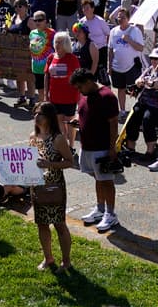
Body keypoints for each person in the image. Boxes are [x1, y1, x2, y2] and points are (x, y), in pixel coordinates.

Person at [71, 69, 120, 233]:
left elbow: (113, 124)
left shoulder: (107, 96)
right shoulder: (84, 95)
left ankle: (111, 214)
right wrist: (77, 120)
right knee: (98, 179)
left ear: (88, 82)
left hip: (102, 148)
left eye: (80, 87)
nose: (79, 91)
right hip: (87, 146)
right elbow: (83, 113)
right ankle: (100, 209)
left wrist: (112, 148)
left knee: (106, 180)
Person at [30, 102, 76, 271]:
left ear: (49, 117)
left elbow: (70, 162)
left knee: (59, 224)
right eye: (34, 113)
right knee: (42, 223)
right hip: (37, 186)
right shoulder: (32, 137)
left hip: (54, 187)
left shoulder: (58, 138)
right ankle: (48, 258)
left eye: (40, 114)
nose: (36, 117)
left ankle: (66, 261)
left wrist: (50, 164)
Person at [45, 31, 81, 148]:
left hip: (69, 97)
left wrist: (80, 95)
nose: (57, 44)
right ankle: (64, 145)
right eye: (56, 42)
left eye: (60, 42)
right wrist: (46, 93)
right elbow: (47, 75)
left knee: (70, 123)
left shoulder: (72, 58)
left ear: (66, 44)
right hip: (55, 96)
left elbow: (78, 77)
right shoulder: (51, 57)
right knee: (59, 122)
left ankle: (71, 146)